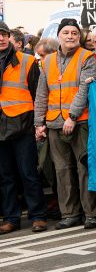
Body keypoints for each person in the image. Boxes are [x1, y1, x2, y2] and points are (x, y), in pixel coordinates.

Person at [34, 18, 96, 229]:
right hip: (54, 123)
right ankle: (70, 214)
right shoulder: (47, 61)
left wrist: (72, 116)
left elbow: (84, 89)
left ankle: (91, 214)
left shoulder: (87, 57)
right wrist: (39, 122)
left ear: (79, 36)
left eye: (74, 32)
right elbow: (42, 94)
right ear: (58, 36)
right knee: (62, 171)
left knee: (84, 169)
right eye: (66, 32)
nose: (71, 36)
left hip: (79, 122)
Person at [0, 21, 47, 234]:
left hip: (23, 125)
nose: (0, 38)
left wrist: (38, 123)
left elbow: (38, 94)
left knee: (28, 173)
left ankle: (38, 216)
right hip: (1, 127)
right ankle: (11, 218)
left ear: (9, 36)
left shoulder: (27, 61)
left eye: (3, 34)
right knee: (5, 177)